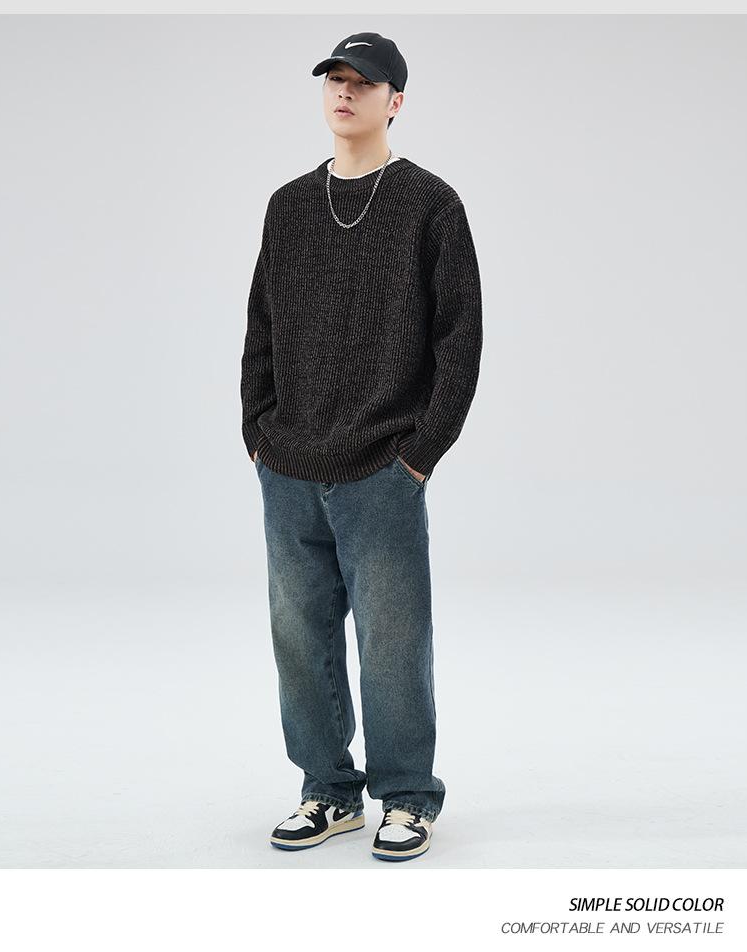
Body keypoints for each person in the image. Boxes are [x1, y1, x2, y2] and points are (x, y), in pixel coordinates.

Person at [240, 31, 483, 861]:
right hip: (289, 465)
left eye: (363, 82)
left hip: (383, 466)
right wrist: (257, 432)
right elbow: (261, 326)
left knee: (393, 644)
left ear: (395, 100)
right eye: (334, 80)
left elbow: (460, 340)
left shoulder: (431, 205)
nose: (344, 93)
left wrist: (419, 454)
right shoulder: (288, 206)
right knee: (299, 642)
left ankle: (407, 797)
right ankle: (327, 791)